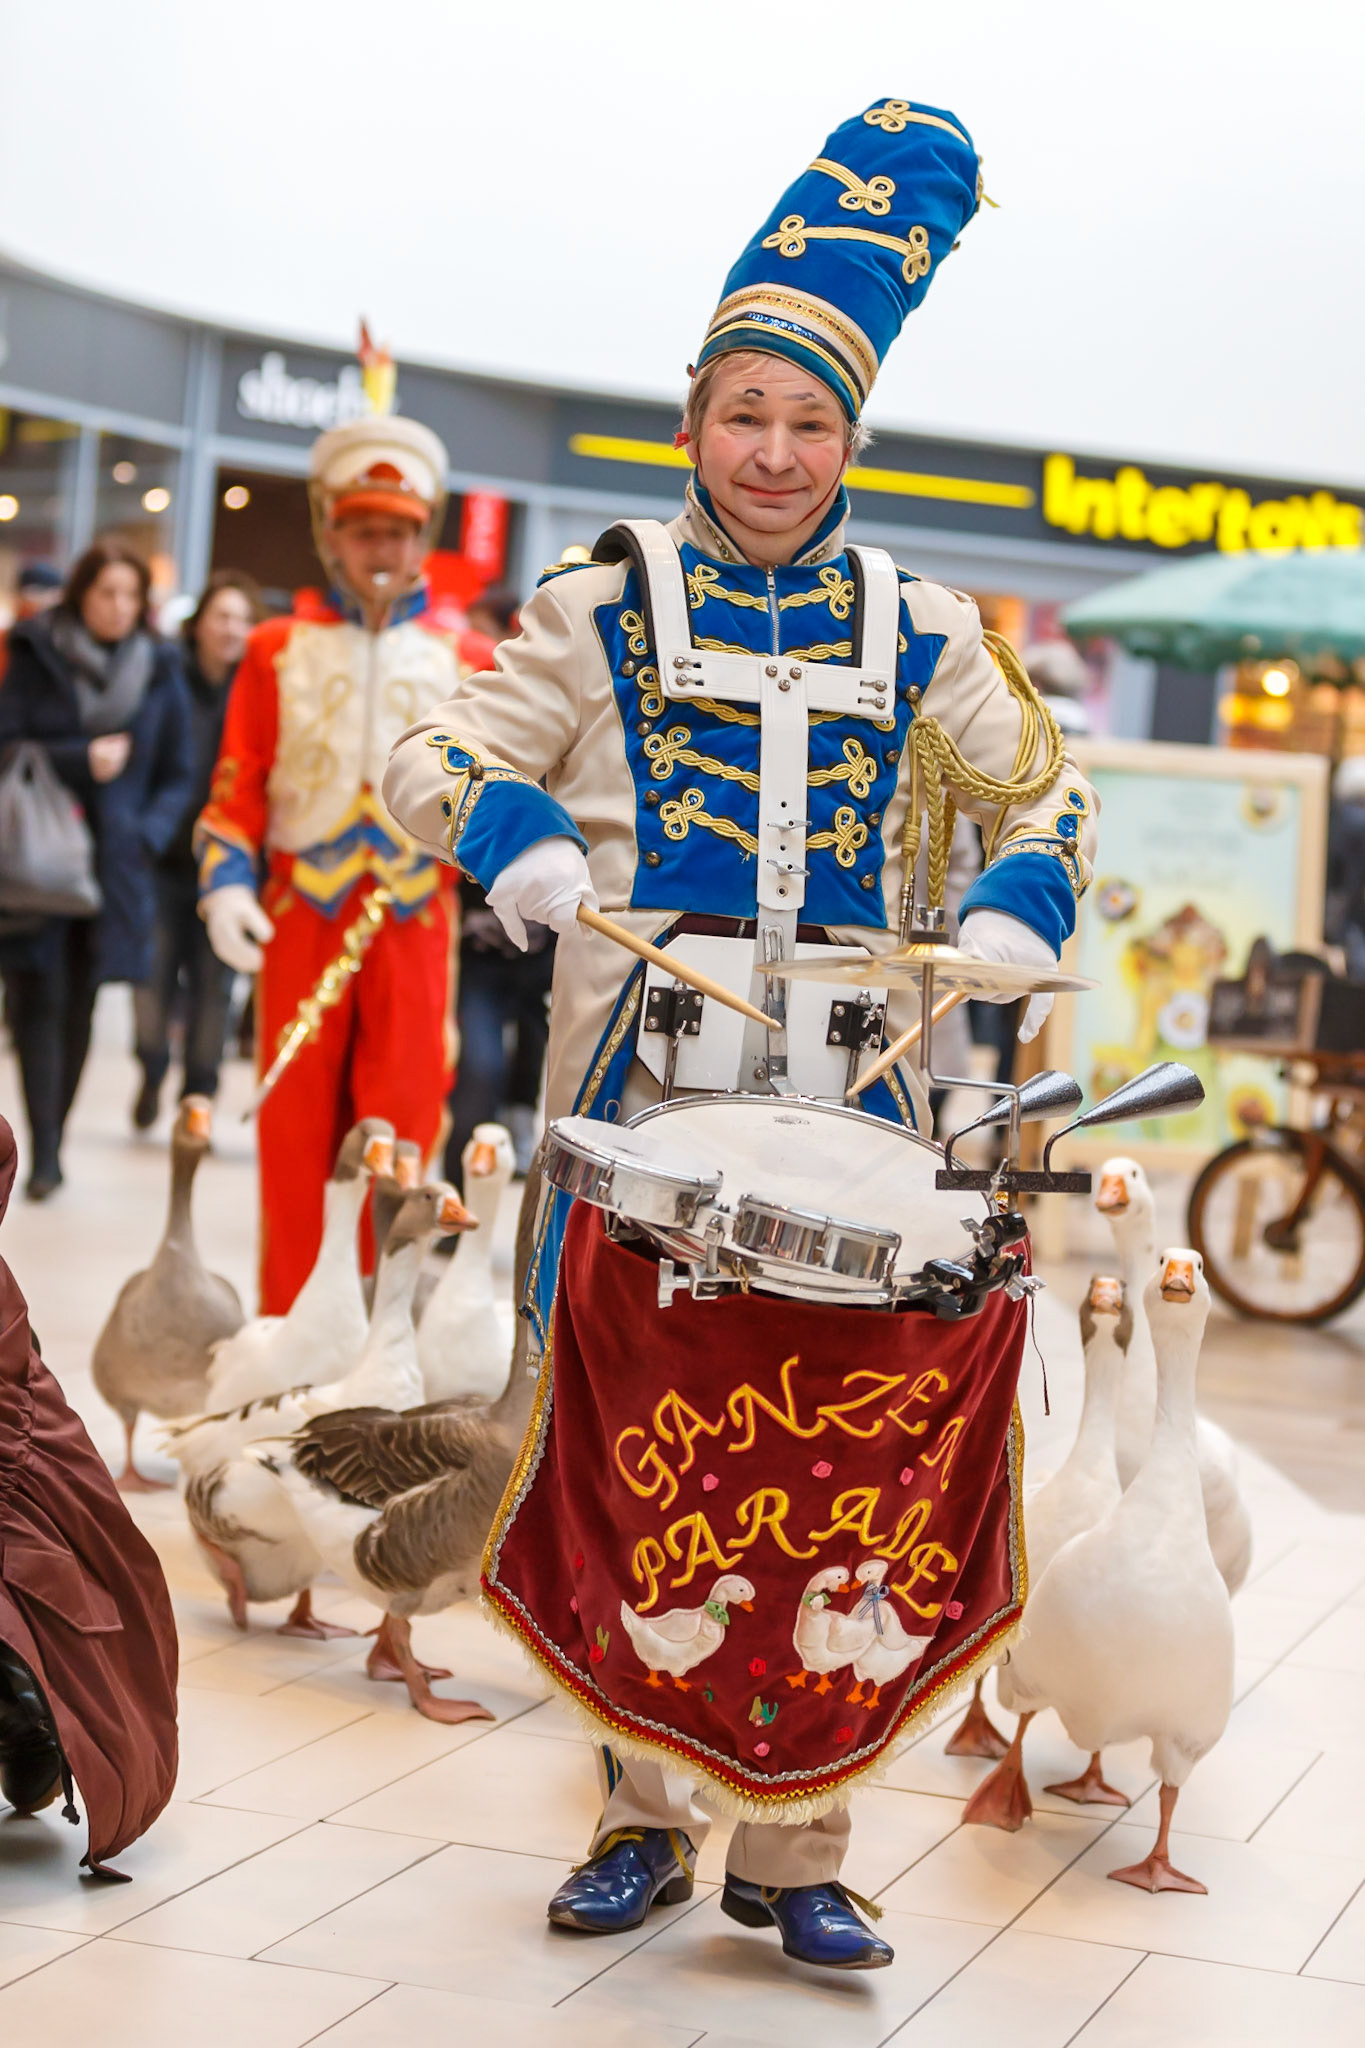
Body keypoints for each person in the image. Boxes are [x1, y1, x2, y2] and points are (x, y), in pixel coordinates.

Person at [386, 95, 1098, 1973]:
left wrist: (1019, 909)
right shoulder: (602, 593)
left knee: (834, 1468)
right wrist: (518, 838)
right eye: (744, 414)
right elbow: (430, 747)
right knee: (642, 1452)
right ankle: (638, 1804)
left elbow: (1051, 800)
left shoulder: (925, 622)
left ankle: (802, 1843)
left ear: (851, 438)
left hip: (853, 1107)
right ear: (692, 418)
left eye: (811, 421)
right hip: (635, 1100)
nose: (774, 453)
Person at [196, 409, 463, 1312]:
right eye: (361, 530)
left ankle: (379, 1329)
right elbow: (236, 788)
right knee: (296, 1127)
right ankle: (286, 1328)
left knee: (403, 1122)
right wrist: (224, 884)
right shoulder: (275, 651)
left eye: (395, 529)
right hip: (300, 913)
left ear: (422, 536)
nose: (378, 547)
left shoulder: (463, 660)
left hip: (415, 916)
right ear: (329, 536)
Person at [0, 540, 193, 1198]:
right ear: (81, 593)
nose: (116, 606)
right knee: (37, 998)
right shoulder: (36, 649)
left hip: (116, 862)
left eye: (128, 595)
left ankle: (56, 1133)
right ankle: (44, 1148)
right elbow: (7, 739)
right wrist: (81, 759)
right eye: (105, 592)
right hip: (39, 860)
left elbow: (178, 771)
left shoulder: (161, 666)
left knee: (80, 1000)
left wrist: (146, 833)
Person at [132, 571, 261, 1127]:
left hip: (226, 869)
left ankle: (197, 1100)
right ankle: (153, 1065)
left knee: (215, 989)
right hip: (163, 863)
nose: (232, 628)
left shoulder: (258, 689)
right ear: (198, 623)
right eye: (222, 616)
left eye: (242, 618)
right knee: (152, 981)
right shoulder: (165, 676)